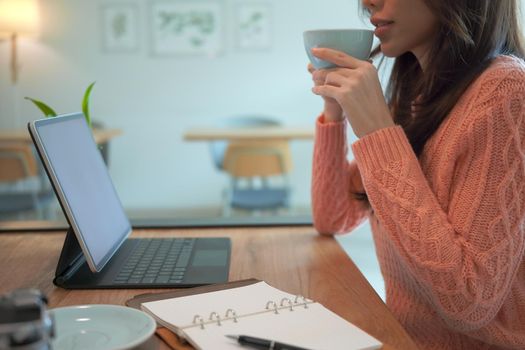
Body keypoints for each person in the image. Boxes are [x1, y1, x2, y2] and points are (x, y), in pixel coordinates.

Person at [308, 0, 525, 349]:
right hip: (401, 338)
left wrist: (378, 131)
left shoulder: (505, 91)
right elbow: (334, 217)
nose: (367, 3)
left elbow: (469, 303)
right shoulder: (415, 91)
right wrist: (335, 108)